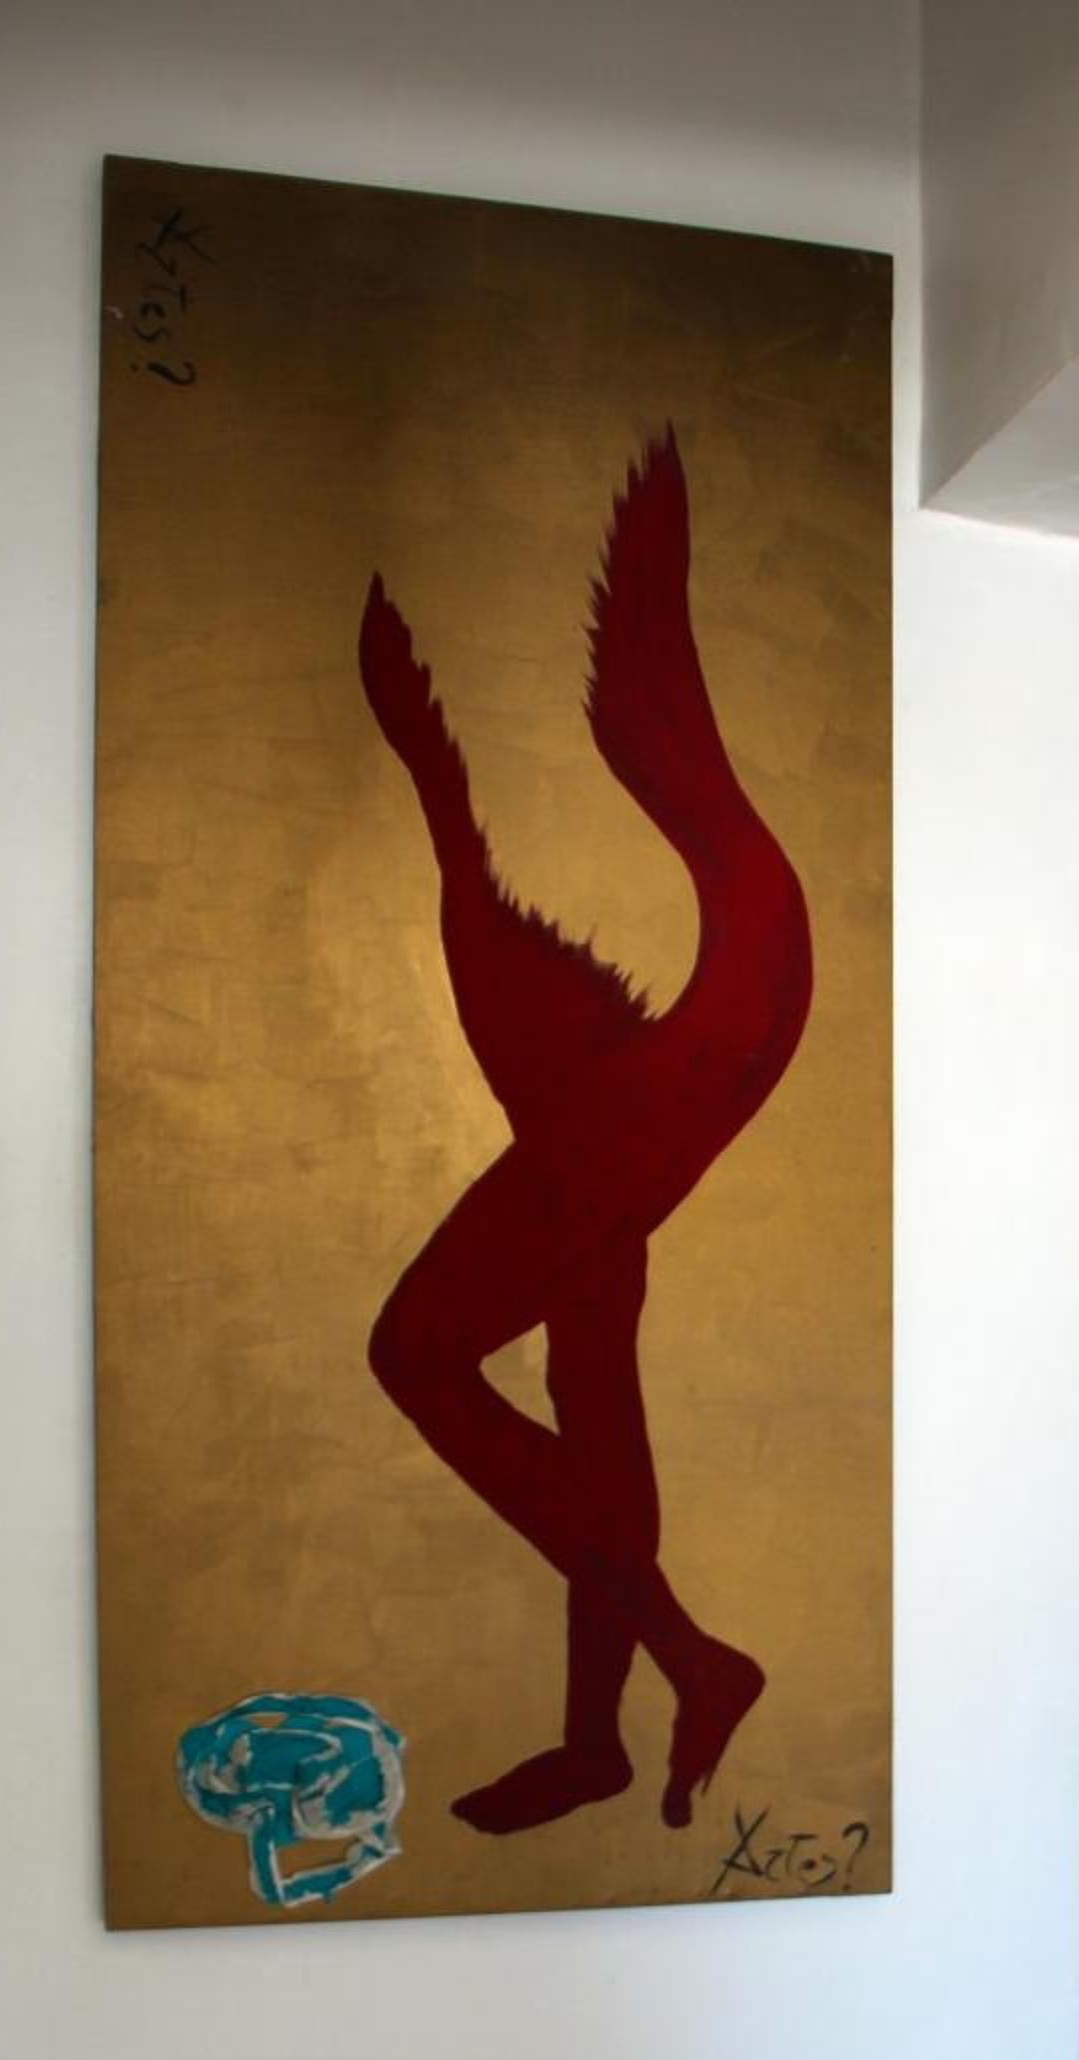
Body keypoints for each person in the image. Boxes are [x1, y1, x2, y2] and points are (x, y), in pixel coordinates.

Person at [357, 429, 812, 1835]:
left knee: (414, 1350)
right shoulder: (516, 967)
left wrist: (429, 761)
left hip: (637, 1105)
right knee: (594, 1395)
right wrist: (428, 764)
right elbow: (474, 854)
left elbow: (476, 855)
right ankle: (597, 1741)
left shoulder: (510, 952)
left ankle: (688, 1658)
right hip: (625, 1113)